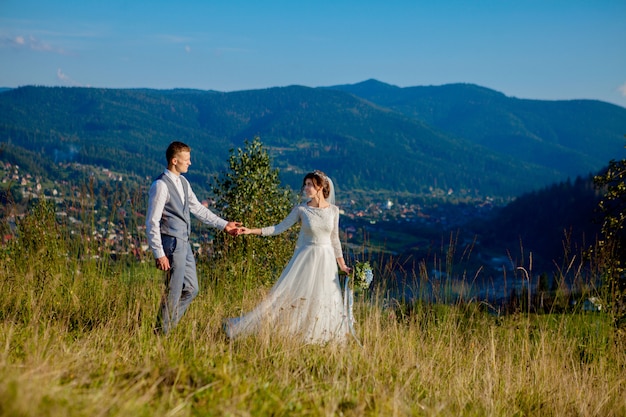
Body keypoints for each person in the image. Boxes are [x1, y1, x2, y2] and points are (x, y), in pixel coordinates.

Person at [225, 170, 352, 344]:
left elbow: (335, 239)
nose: (306, 188)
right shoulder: (302, 210)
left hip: (327, 260)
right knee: (290, 296)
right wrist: (251, 230)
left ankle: (319, 336)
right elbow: (279, 228)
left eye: (310, 184)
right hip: (306, 259)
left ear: (320, 187)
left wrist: (343, 266)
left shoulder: (334, 211)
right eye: (305, 184)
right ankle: (258, 328)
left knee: (325, 297)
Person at [146, 141, 241, 334]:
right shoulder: (160, 186)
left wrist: (224, 225)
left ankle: (165, 327)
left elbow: (197, 208)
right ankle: (161, 334)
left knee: (191, 289)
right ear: (174, 161)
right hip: (171, 244)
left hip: (185, 244)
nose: (190, 163)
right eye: (186, 160)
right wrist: (159, 253)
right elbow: (151, 222)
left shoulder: (183, 182)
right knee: (173, 291)